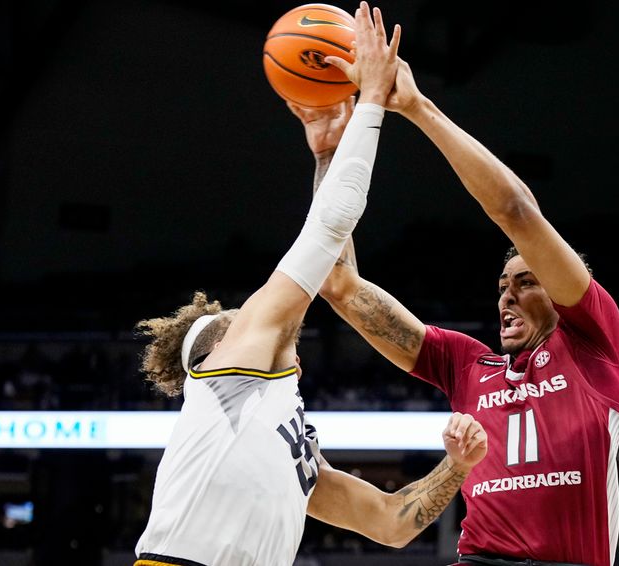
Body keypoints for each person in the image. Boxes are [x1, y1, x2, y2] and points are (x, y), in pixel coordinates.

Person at [133, 4, 487, 566]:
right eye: (239, 320)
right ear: (215, 354)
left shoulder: (295, 452)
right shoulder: (228, 375)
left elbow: (390, 524)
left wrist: (458, 467)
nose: (258, 317)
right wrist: (370, 98)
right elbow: (328, 229)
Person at [316, 23, 619, 566]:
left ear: (562, 292)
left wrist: (416, 107)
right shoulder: (466, 364)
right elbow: (338, 284)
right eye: (501, 286)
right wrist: (328, 154)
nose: (506, 297)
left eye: (525, 282)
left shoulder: (592, 340)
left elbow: (516, 212)